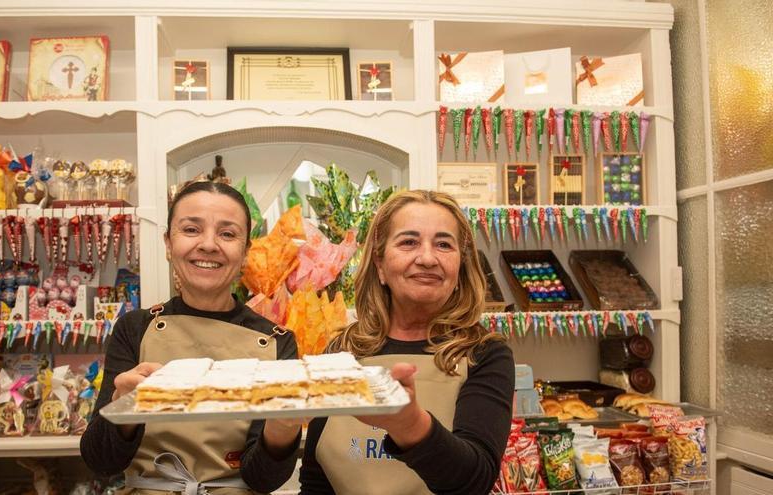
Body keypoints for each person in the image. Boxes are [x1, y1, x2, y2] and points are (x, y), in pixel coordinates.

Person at [81, 181, 302, 494]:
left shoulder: (277, 341)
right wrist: (124, 407)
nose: (208, 244)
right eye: (191, 229)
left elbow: (261, 479)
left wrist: (285, 428)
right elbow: (101, 461)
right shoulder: (135, 328)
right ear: (168, 243)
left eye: (227, 233)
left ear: (245, 252)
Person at [299, 190, 515, 495]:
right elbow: (315, 483)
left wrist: (410, 425)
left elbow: (474, 480)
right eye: (408, 242)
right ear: (380, 263)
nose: (427, 258)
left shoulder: (484, 354)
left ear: (460, 266)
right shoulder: (342, 352)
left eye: (443, 244)